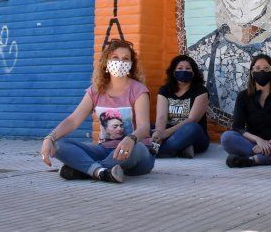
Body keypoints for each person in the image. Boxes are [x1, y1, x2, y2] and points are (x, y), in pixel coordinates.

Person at [39, 39, 154, 183]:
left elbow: (144, 128)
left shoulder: (138, 90)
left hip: (135, 153)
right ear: (106, 62)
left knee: (138, 148)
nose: (120, 62)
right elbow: (73, 120)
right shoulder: (95, 91)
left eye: (126, 59)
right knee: (58, 145)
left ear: (131, 65)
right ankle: (101, 172)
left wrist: (130, 139)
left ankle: (83, 169)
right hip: (104, 151)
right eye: (115, 58)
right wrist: (49, 138)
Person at [221, 54, 271, 167]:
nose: (262, 71)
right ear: (252, 72)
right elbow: (237, 127)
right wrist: (259, 141)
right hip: (252, 143)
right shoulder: (243, 96)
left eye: (266, 68)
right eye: (257, 68)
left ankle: (252, 160)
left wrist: (269, 143)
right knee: (227, 137)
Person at [152, 55, 209, 158]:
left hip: (192, 134)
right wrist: (159, 134)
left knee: (192, 128)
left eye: (188, 68)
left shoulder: (201, 91)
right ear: (173, 72)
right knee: (149, 128)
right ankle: (180, 149)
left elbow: (192, 119)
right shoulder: (165, 90)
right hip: (168, 133)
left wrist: (166, 133)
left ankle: (158, 151)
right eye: (180, 68)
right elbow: (161, 116)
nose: (184, 71)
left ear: (194, 72)